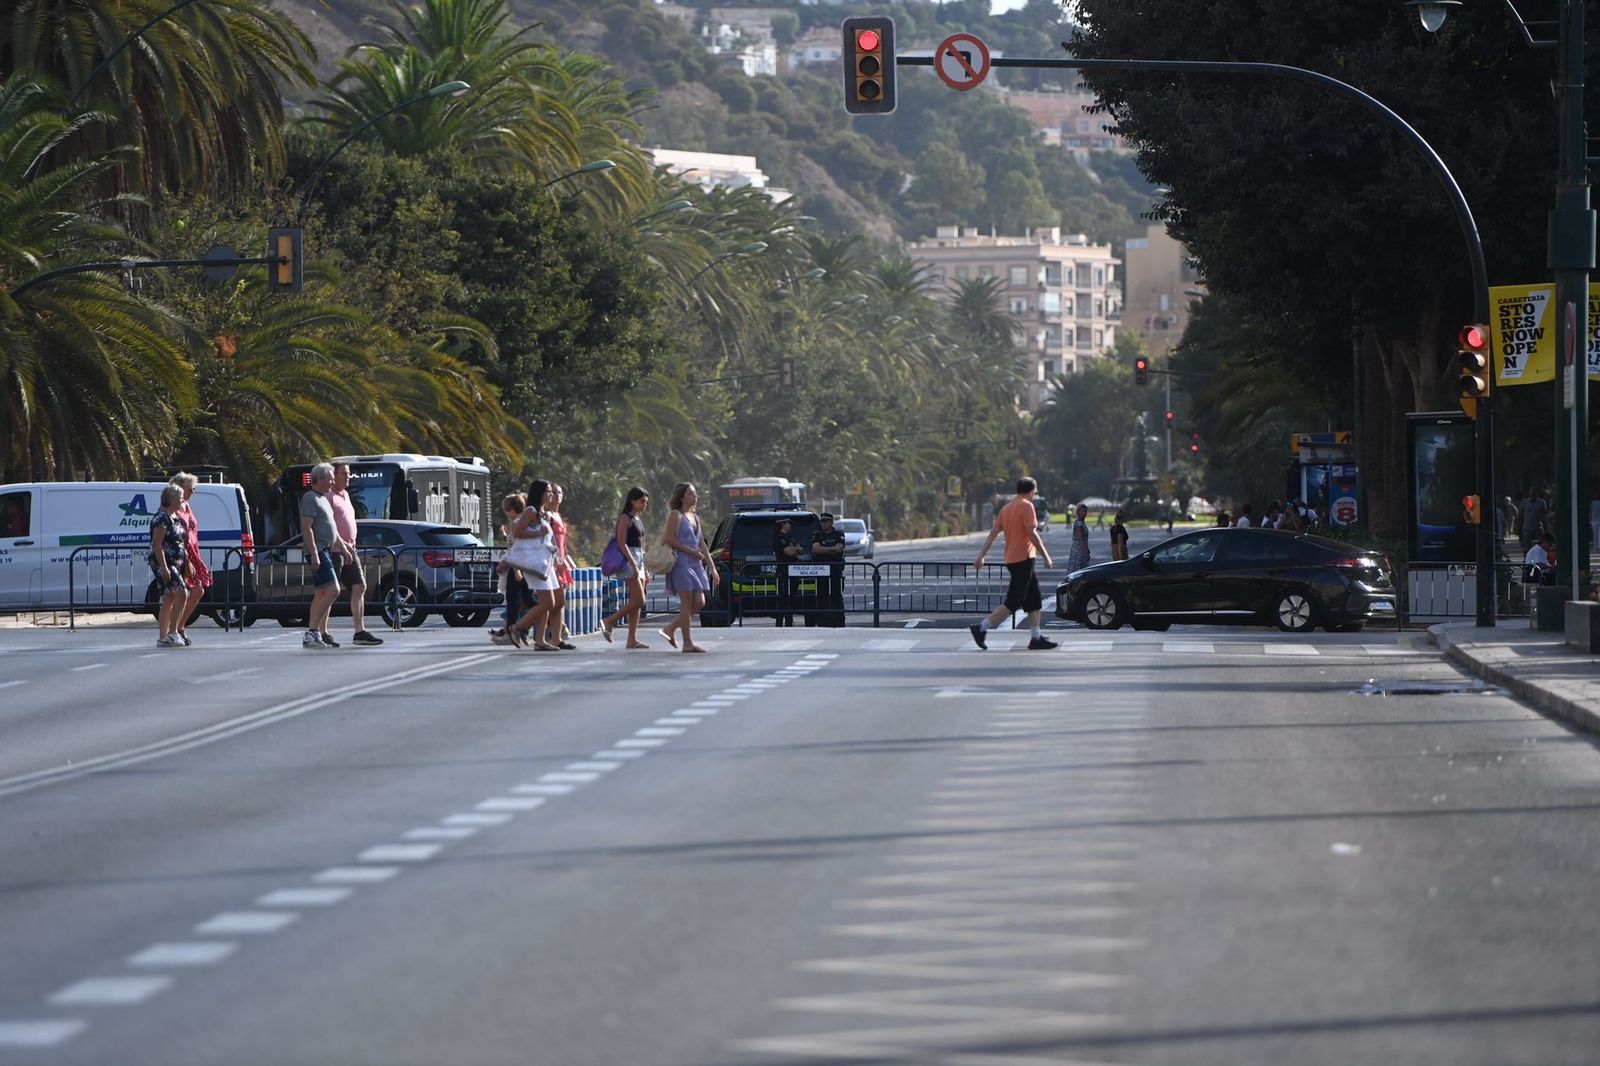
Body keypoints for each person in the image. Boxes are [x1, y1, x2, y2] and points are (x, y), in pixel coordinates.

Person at [970, 477, 1057, 651]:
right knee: (1014, 601)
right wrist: (1046, 556)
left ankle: (1036, 637)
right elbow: (1032, 533)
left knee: (1033, 599)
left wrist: (981, 555)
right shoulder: (1026, 506)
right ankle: (981, 627)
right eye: (1034, 491)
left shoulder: (1006, 508)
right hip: (1023, 559)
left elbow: (993, 532)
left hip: (1013, 559)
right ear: (1031, 491)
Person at [659, 482, 717, 653]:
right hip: (681, 562)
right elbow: (668, 539)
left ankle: (670, 628)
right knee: (687, 602)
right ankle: (688, 643)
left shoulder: (695, 517)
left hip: (696, 563)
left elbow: (702, 544)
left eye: (695, 494)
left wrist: (712, 567)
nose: (695, 497)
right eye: (691, 494)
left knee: (700, 602)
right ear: (682, 496)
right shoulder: (675, 515)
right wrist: (691, 551)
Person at [328, 462, 382, 646]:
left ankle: (360, 631)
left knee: (359, 586)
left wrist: (349, 545)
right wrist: (342, 545)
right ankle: (321, 632)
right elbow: (328, 527)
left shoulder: (346, 496)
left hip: (351, 549)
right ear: (333, 475)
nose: (347, 476)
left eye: (348, 473)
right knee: (329, 592)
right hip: (335, 550)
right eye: (344, 473)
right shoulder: (329, 496)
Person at [300, 463, 351, 649]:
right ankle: (312, 632)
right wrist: (314, 554)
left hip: (326, 550)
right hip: (319, 551)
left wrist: (344, 548)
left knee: (321, 593)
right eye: (330, 478)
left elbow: (332, 530)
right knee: (333, 589)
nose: (332, 481)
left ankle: (313, 633)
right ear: (320, 479)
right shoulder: (310, 498)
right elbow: (306, 528)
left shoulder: (323, 499)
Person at [508, 479, 560, 650]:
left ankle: (540, 640)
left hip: (545, 562)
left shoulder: (543, 512)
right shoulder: (530, 511)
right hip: (534, 562)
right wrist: (538, 532)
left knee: (549, 602)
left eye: (551, 492)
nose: (550, 495)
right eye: (548, 492)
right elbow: (517, 532)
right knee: (548, 603)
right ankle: (516, 628)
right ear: (539, 493)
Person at [601, 487, 651, 648]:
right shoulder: (625, 518)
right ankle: (609, 621)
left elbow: (642, 545)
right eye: (642, 501)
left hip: (639, 559)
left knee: (635, 602)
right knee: (639, 599)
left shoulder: (638, 519)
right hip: (629, 559)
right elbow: (621, 543)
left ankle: (632, 639)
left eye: (646, 502)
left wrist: (646, 569)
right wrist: (633, 563)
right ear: (633, 501)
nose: (644, 505)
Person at [169, 472, 212, 646]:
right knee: (181, 593)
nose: (193, 492)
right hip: (181, 553)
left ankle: (180, 627)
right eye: (190, 489)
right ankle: (174, 630)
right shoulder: (174, 507)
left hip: (193, 553)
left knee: (197, 590)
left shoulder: (187, 506)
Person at [149, 484, 190, 648]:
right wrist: (164, 567)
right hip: (164, 562)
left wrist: (186, 560)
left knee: (168, 598)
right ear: (171, 499)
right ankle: (173, 632)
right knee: (182, 594)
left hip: (176, 562)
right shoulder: (161, 519)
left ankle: (163, 637)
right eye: (180, 497)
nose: (182, 500)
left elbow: (179, 541)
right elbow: (157, 545)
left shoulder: (174, 518)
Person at [490, 493, 532, 645]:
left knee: (515, 602)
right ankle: (517, 631)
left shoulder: (517, 522)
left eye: (507, 510)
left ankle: (511, 632)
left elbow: (516, 547)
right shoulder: (525, 521)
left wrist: (515, 569)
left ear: (511, 509)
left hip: (517, 566)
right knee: (523, 601)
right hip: (522, 566)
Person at [542, 483, 577, 650]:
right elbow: (547, 539)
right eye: (554, 492)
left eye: (560, 492)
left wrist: (566, 558)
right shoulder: (547, 515)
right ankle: (542, 634)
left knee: (560, 602)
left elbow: (563, 541)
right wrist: (554, 560)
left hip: (561, 562)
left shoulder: (558, 515)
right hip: (552, 562)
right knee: (553, 601)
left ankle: (556, 637)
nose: (557, 496)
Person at [810, 511, 847, 627]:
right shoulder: (817, 534)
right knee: (822, 593)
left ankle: (839, 618)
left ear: (831, 522)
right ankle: (822, 619)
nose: (823, 524)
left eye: (826, 521)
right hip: (822, 568)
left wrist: (825, 548)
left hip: (836, 567)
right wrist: (832, 548)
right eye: (822, 521)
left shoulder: (839, 534)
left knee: (836, 593)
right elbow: (816, 549)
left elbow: (839, 549)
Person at [772, 517, 805, 626]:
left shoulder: (790, 537)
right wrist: (795, 549)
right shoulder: (779, 538)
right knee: (783, 599)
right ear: (783, 524)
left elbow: (801, 550)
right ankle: (779, 623)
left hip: (793, 572)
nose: (791, 525)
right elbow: (790, 552)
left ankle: (789, 622)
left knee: (792, 598)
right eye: (789, 523)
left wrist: (795, 549)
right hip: (784, 571)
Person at [1066, 502, 1091, 572]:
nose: (1084, 512)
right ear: (1078, 512)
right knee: (1079, 570)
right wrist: (1085, 551)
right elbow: (1080, 538)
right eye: (1082, 511)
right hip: (1079, 549)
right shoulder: (1079, 523)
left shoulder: (1081, 522)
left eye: (1085, 511)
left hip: (1080, 548)